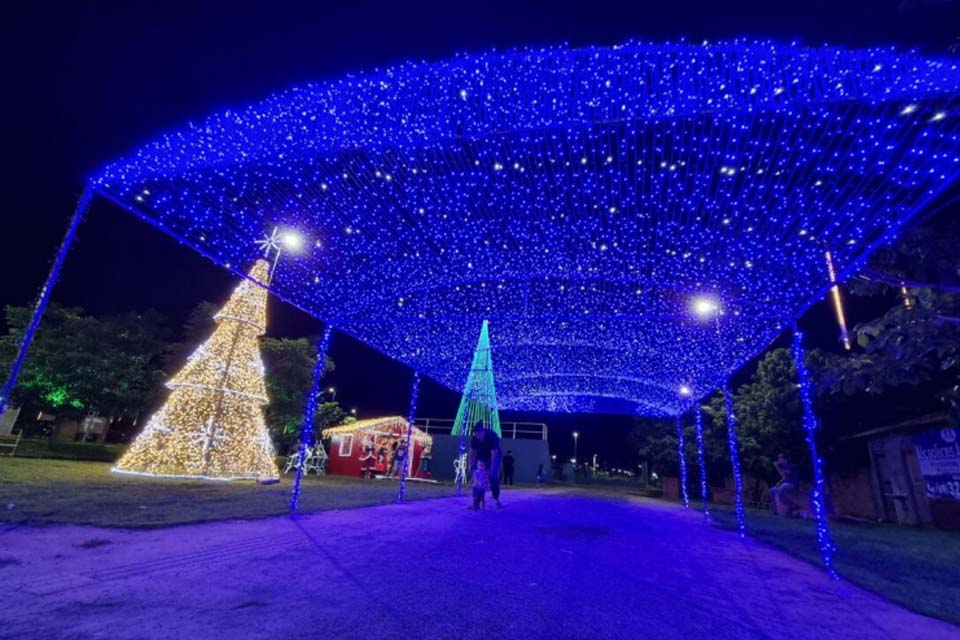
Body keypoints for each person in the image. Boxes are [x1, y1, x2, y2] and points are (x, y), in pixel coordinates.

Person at [469, 423, 502, 508]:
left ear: (483, 432)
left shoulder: (492, 436)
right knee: (478, 479)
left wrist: (491, 468)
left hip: (493, 457)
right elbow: (472, 452)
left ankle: (496, 499)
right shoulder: (475, 438)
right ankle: (476, 502)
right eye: (476, 434)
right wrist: (470, 464)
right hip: (481, 456)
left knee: (493, 477)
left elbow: (494, 453)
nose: (477, 436)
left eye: (478, 434)